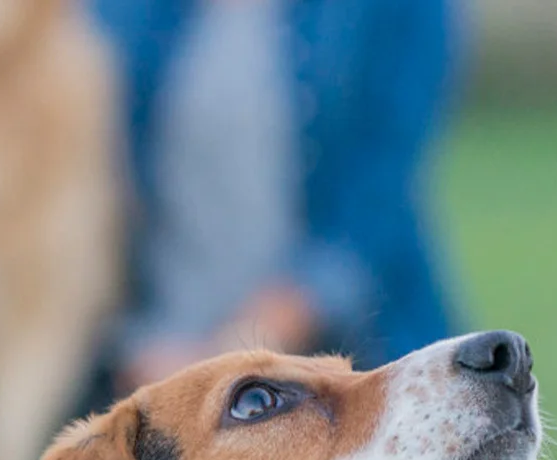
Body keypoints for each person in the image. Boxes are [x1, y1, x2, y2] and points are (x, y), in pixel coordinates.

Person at [88, 0, 462, 390]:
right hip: (150, 361)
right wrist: (135, 346)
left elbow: (372, 209)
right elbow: (89, 196)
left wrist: (227, 353)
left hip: (350, 364)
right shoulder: (116, 11)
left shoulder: (393, 10)